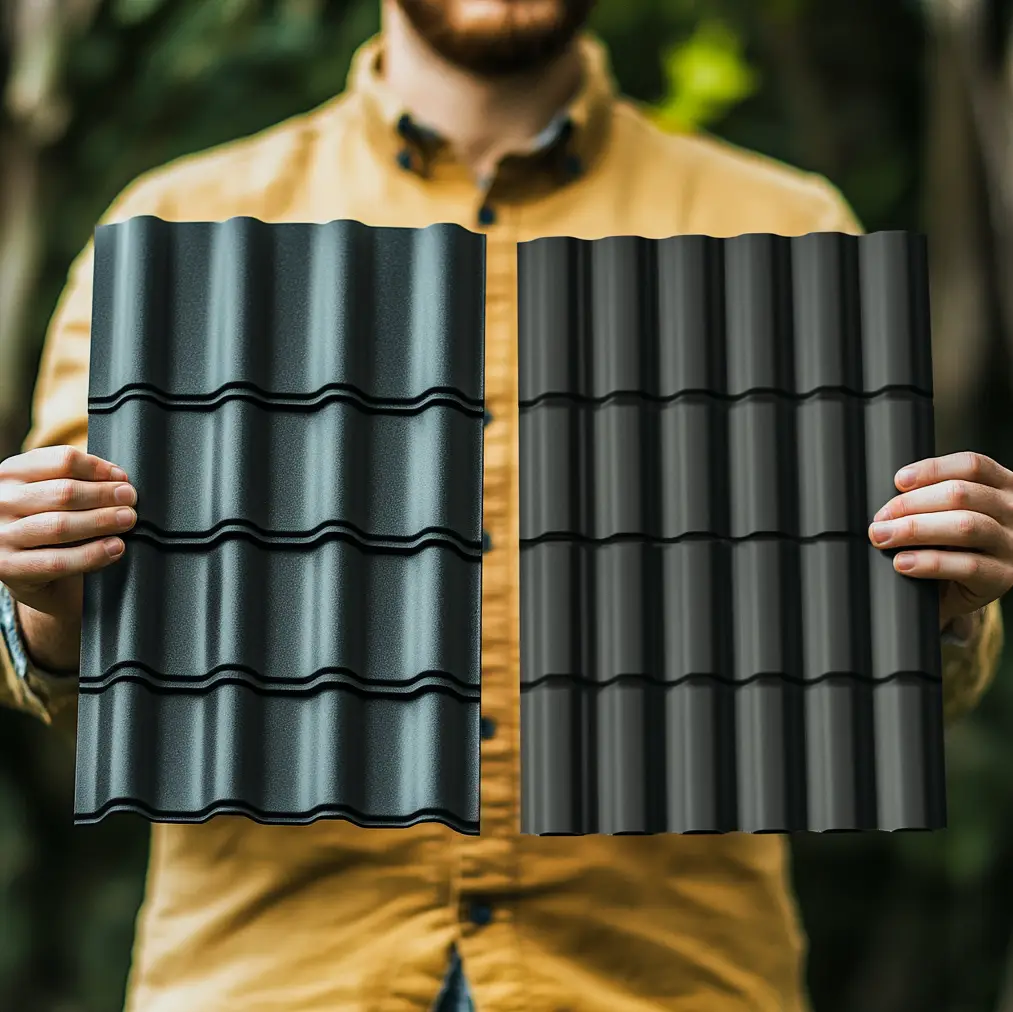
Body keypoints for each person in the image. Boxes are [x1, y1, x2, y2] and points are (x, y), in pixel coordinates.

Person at [0, 1, 1008, 1009]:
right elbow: (63, 666)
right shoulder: (177, 225)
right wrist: (49, 597)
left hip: (665, 983)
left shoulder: (781, 225)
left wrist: (936, 598)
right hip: (271, 977)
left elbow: (889, 685)